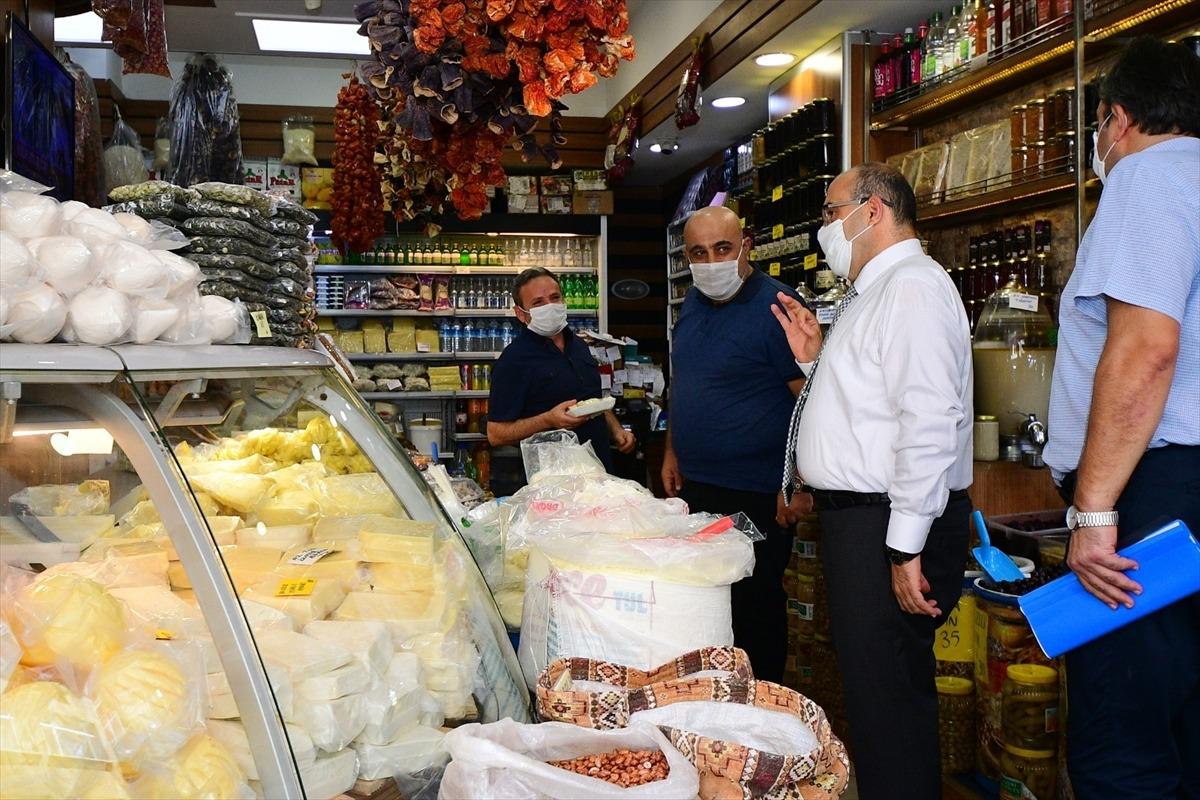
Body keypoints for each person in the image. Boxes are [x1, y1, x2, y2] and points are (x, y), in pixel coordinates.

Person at [772, 162, 973, 800]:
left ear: (874, 211)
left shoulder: (913, 285)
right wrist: (815, 357)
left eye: (832, 212)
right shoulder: (873, 290)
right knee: (873, 689)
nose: (825, 227)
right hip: (861, 519)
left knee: (886, 695)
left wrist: (905, 545)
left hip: (886, 519)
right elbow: (870, 402)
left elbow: (930, 418)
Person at [1042, 37, 1200, 800]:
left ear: (1118, 118)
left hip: (1152, 492)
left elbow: (1144, 351)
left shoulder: (1146, 178)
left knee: (1124, 741)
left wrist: (1094, 509)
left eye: (1098, 125)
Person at [663, 205, 808, 684]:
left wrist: (796, 480)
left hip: (758, 490)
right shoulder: (693, 305)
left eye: (722, 248)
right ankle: (717, 699)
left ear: (746, 244)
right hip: (699, 487)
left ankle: (764, 702)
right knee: (707, 600)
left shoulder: (777, 308)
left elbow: (811, 403)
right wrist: (672, 450)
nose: (711, 261)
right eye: (698, 253)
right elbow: (682, 383)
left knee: (756, 604)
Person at [488, 268, 635, 478]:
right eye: (538, 303)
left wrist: (616, 430)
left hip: (599, 474)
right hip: (552, 485)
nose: (550, 306)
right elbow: (496, 434)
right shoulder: (514, 360)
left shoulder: (579, 346)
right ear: (521, 313)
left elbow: (591, 399)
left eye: (555, 298)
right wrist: (548, 420)